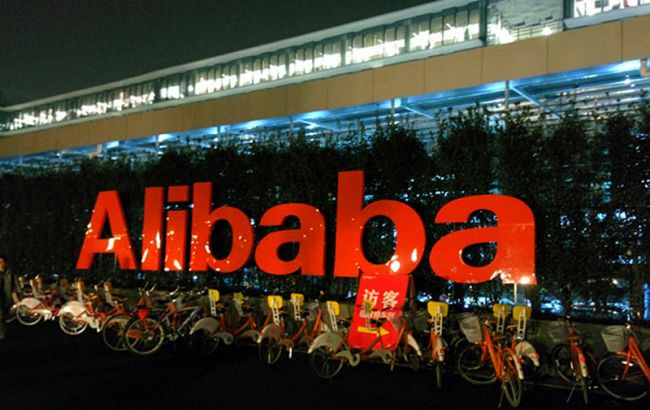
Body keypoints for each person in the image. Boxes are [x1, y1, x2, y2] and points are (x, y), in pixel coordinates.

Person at [0, 254, 12, 340]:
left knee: (3, 317)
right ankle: (1, 334)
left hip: (5, 298)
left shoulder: (8, 274)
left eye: (2, 261)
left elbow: (13, 288)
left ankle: (3, 333)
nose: (0, 263)